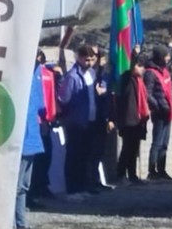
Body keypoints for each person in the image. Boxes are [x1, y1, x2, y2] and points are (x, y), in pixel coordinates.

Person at [5, 51, 47, 229]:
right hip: (20, 136)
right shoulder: (19, 72)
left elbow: (39, 105)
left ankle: (21, 224)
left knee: (23, 185)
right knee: (15, 185)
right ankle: (10, 227)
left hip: (31, 135)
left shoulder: (35, 73)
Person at [58, 44, 98, 200]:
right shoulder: (72, 76)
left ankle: (82, 186)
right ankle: (72, 189)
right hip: (76, 122)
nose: (89, 63)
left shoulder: (92, 74)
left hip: (90, 120)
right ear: (79, 58)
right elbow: (64, 99)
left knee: (84, 156)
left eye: (92, 60)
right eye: (86, 60)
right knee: (73, 156)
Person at [28, 50, 62, 208]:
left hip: (45, 119)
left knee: (46, 154)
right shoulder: (33, 74)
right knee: (35, 159)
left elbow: (51, 94)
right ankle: (32, 191)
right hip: (35, 119)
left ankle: (41, 185)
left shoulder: (46, 73)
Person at [115, 52, 151, 184]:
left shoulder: (139, 81)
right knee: (127, 148)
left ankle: (132, 175)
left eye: (143, 66)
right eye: (139, 66)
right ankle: (120, 174)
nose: (142, 69)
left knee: (134, 149)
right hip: (128, 119)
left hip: (138, 119)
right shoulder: (127, 78)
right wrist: (134, 55)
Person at [144, 44, 172, 181]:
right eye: (166, 56)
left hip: (168, 110)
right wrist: (157, 106)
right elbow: (148, 93)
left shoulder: (164, 70)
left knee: (164, 143)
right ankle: (152, 171)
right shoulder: (151, 73)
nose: (168, 58)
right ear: (160, 57)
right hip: (159, 111)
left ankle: (162, 170)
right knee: (157, 143)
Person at [86, 47, 116, 193]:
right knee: (91, 152)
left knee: (99, 151)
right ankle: (90, 181)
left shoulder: (105, 75)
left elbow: (109, 97)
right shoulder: (90, 75)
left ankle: (96, 180)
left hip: (102, 117)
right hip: (91, 119)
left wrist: (111, 118)